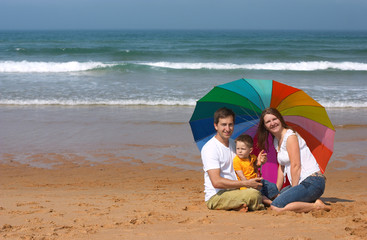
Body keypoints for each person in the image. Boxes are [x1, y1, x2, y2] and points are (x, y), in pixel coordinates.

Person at [257, 107, 331, 213]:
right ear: (265, 126)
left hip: (312, 181)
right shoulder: (276, 141)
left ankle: (317, 206)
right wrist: (276, 191)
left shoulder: (290, 136)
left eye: (274, 119)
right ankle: (306, 202)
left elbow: (296, 165)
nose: (272, 123)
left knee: (276, 206)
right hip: (300, 183)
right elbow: (281, 167)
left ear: (280, 119)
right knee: (269, 194)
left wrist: (293, 189)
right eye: (268, 122)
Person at [201, 107, 265, 212]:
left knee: (265, 186)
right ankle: (241, 204)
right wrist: (246, 184)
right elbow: (216, 182)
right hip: (217, 195)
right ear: (216, 126)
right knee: (254, 194)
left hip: (237, 189)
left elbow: (244, 166)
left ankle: (238, 205)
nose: (228, 128)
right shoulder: (210, 148)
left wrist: (258, 163)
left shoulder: (234, 144)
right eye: (223, 124)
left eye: (230, 124)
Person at [233, 134, 279, 206]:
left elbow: (257, 165)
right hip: (246, 185)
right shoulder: (237, 160)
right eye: (238, 148)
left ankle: (278, 197)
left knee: (268, 184)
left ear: (250, 150)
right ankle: (272, 203)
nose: (240, 151)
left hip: (256, 181)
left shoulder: (252, 157)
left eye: (243, 149)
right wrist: (250, 184)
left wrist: (261, 161)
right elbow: (241, 177)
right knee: (257, 193)